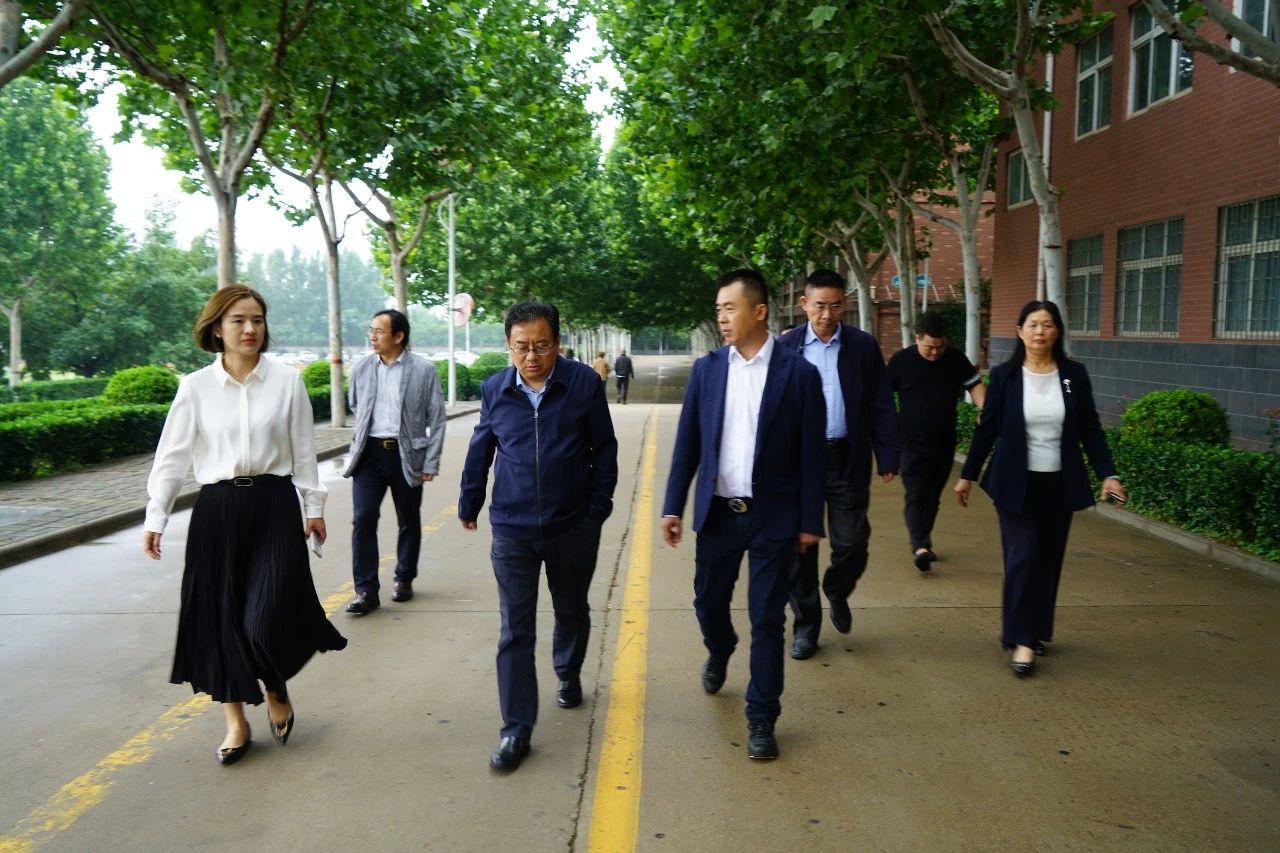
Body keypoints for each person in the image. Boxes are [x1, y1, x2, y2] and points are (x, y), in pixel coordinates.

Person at [143, 285, 346, 766]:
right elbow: (171, 458)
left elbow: (303, 451)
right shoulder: (195, 387)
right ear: (217, 328)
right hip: (217, 510)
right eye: (238, 320)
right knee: (219, 619)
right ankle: (235, 721)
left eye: (257, 319)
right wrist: (157, 515)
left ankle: (275, 685)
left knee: (264, 615)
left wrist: (313, 506)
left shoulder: (287, 382)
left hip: (274, 505)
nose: (250, 329)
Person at [662, 269, 826, 760]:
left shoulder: (799, 374)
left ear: (759, 311)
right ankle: (720, 647)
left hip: (772, 518)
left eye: (729, 308)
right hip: (718, 514)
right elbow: (687, 443)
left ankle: (761, 717)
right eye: (718, 310)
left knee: (768, 619)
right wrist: (672, 505)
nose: (721, 318)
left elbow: (812, 455)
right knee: (707, 603)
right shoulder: (708, 370)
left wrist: (809, 522)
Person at [459, 301, 618, 772]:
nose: (531, 357)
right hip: (513, 529)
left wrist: (596, 512)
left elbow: (605, 449)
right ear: (509, 346)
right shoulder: (496, 388)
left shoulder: (583, 384)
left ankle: (567, 672)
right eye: (521, 347)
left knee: (571, 608)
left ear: (557, 344)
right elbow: (481, 448)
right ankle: (516, 729)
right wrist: (470, 501)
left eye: (541, 346)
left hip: (572, 526)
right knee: (515, 630)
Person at [954, 300, 1125, 677]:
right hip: (1014, 483)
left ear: (1057, 331)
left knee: (1047, 561)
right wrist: (967, 474)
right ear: (1020, 331)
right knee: (1023, 558)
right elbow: (988, 428)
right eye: (1032, 324)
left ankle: (1033, 629)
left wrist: (1108, 474)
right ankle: (1023, 640)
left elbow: (1090, 429)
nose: (1040, 331)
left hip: (1058, 483)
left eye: (1047, 324)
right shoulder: (1005, 376)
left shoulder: (1073, 375)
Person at [777, 269, 899, 661]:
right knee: (800, 548)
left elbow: (881, 403)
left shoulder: (862, 347)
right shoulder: (786, 347)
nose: (827, 315)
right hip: (800, 462)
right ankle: (806, 625)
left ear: (844, 303)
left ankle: (837, 589)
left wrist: (888, 455)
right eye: (819, 306)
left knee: (852, 542)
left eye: (834, 306)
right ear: (804, 304)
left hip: (847, 457)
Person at [342, 309, 447, 615]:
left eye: (379, 331)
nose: (372, 337)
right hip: (369, 455)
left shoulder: (423, 370)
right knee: (363, 519)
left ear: (398, 336)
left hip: (407, 454)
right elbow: (355, 404)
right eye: (371, 330)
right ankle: (365, 590)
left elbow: (437, 418)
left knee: (408, 519)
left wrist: (430, 462)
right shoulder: (361, 367)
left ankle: (404, 578)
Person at [887, 310, 986, 572]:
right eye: (929, 347)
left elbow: (975, 386)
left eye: (940, 347)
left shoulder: (955, 359)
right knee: (916, 492)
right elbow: (882, 398)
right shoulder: (901, 361)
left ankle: (923, 541)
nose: (934, 352)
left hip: (943, 443)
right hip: (909, 443)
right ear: (917, 339)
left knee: (931, 495)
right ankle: (920, 545)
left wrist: (984, 410)